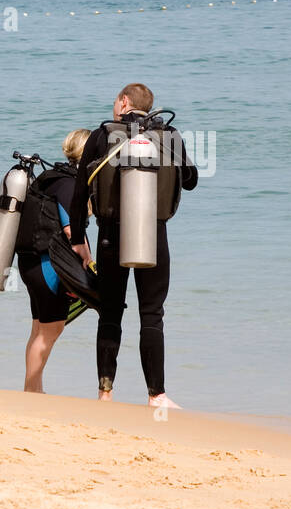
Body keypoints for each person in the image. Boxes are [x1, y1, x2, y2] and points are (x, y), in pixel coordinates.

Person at [69, 83, 198, 408]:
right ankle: (157, 396)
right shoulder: (169, 135)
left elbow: (79, 192)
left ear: (124, 102)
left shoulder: (101, 136)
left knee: (110, 313)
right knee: (152, 314)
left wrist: (77, 240)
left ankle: (105, 393)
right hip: (154, 236)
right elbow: (191, 180)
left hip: (110, 235)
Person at [15, 129, 91, 393]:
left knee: (39, 329)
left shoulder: (52, 176)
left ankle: (33, 388)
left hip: (29, 263)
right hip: (48, 266)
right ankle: (32, 391)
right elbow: (73, 232)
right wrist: (89, 262)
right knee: (50, 331)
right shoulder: (72, 184)